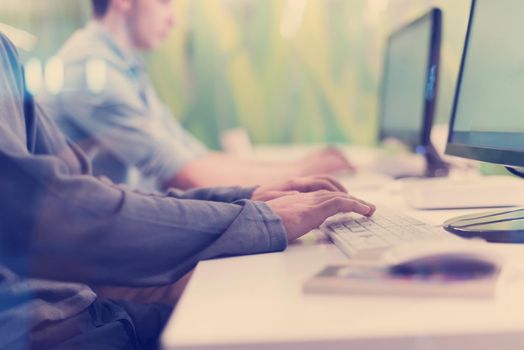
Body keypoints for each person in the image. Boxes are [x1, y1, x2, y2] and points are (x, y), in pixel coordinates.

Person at [0, 33, 374, 348]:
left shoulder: (9, 51)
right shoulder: (90, 69)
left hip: (85, 301)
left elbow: (89, 190)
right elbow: (60, 216)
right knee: (278, 308)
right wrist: (261, 215)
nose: (172, 16)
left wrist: (249, 196)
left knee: (265, 300)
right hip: (53, 324)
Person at [39, 0, 355, 192]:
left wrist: (298, 167)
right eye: (164, 2)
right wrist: (300, 174)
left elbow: (193, 156)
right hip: (91, 266)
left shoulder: (125, 67)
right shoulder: (93, 71)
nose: (173, 19)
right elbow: (187, 175)